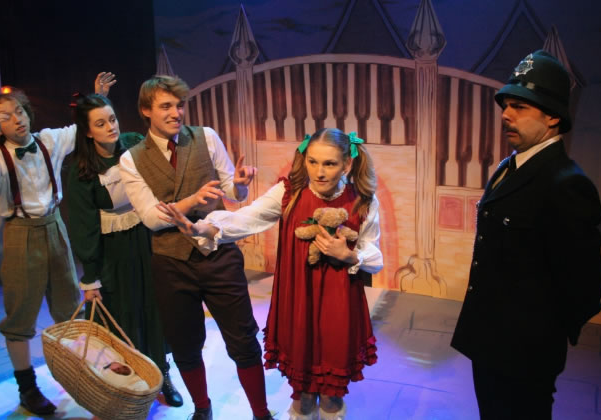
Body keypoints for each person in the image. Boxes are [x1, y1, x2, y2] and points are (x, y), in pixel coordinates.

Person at [159, 128, 383, 420]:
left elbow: (373, 255)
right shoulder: (289, 193)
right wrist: (202, 228)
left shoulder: (363, 201)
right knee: (303, 395)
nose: (319, 172)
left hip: (339, 303)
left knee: (331, 395)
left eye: (329, 164)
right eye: (313, 162)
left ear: (346, 164)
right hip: (299, 300)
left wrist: (350, 255)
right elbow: (246, 218)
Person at [451, 50, 601, 419]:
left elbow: (584, 286)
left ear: (553, 116)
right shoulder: (511, 166)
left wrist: (543, 336)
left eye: (520, 106)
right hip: (489, 340)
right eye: (506, 105)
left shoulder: (567, 184)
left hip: (524, 353)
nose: (506, 114)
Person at [119, 75, 272, 420]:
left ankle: (261, 413)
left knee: (244, 339)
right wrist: (192, 200)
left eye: (179, 105)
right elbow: (151, 218)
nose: (176, 113)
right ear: (146, 110)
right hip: (171, 263)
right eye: (166, 106)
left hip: (218, 253)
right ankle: (202, 408)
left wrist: (241, 186)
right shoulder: (131, 159)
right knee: (186, 345)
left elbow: (231, 191)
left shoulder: (206, 137)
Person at [0, 73, 115, 415]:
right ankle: (27, 388)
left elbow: (83, 126)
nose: (17, 119)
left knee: (69, 309)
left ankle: (78, 374)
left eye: (19, 111)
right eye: (5, 116)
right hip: (20, 233)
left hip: (55, 227)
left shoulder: (48, 140)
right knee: (20, 316)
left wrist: (98, 96)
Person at [66, 93, 183, 406]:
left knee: (156, 308)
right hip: (112, 251)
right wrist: (90, 276)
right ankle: (128, 384)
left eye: (112, 119)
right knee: (122, 315)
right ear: (88, 132)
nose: (110, 127)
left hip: (146, 238)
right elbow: (83, 225)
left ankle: (162, 374)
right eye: (100, 124)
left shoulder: (133, 144)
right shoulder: (80, 169)